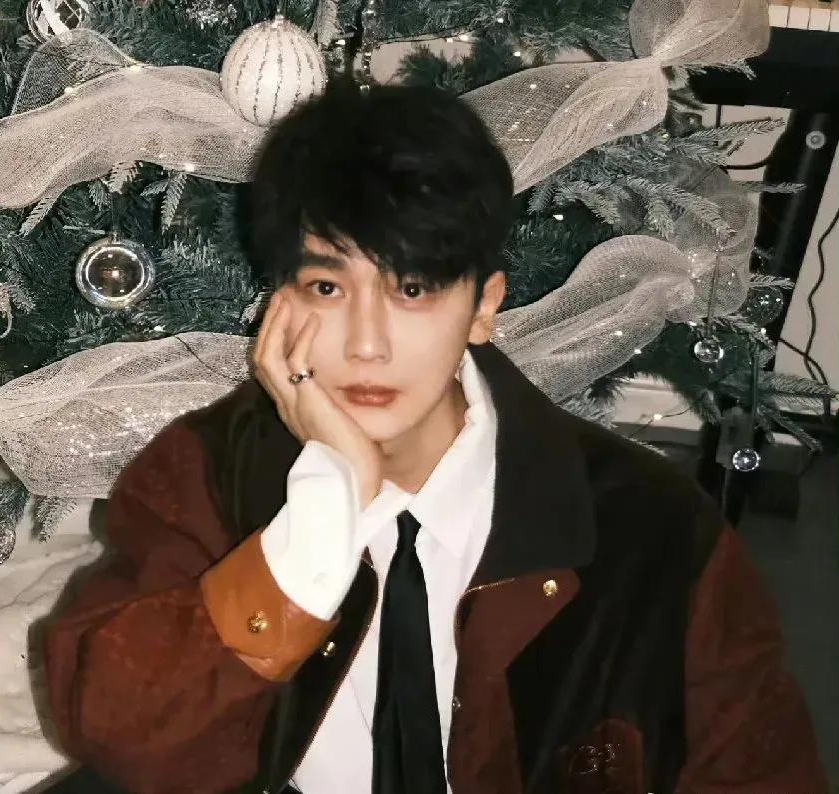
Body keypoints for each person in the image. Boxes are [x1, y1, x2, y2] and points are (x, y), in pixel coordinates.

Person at [42, 80, 825, 793]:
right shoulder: (206, 474)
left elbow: (760, 771)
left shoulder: (652, 530)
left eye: (413, 289)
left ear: (484, 307)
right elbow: (116, 733)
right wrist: (314, 531)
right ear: (278, 301)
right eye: (326, 286)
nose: (367, 344)